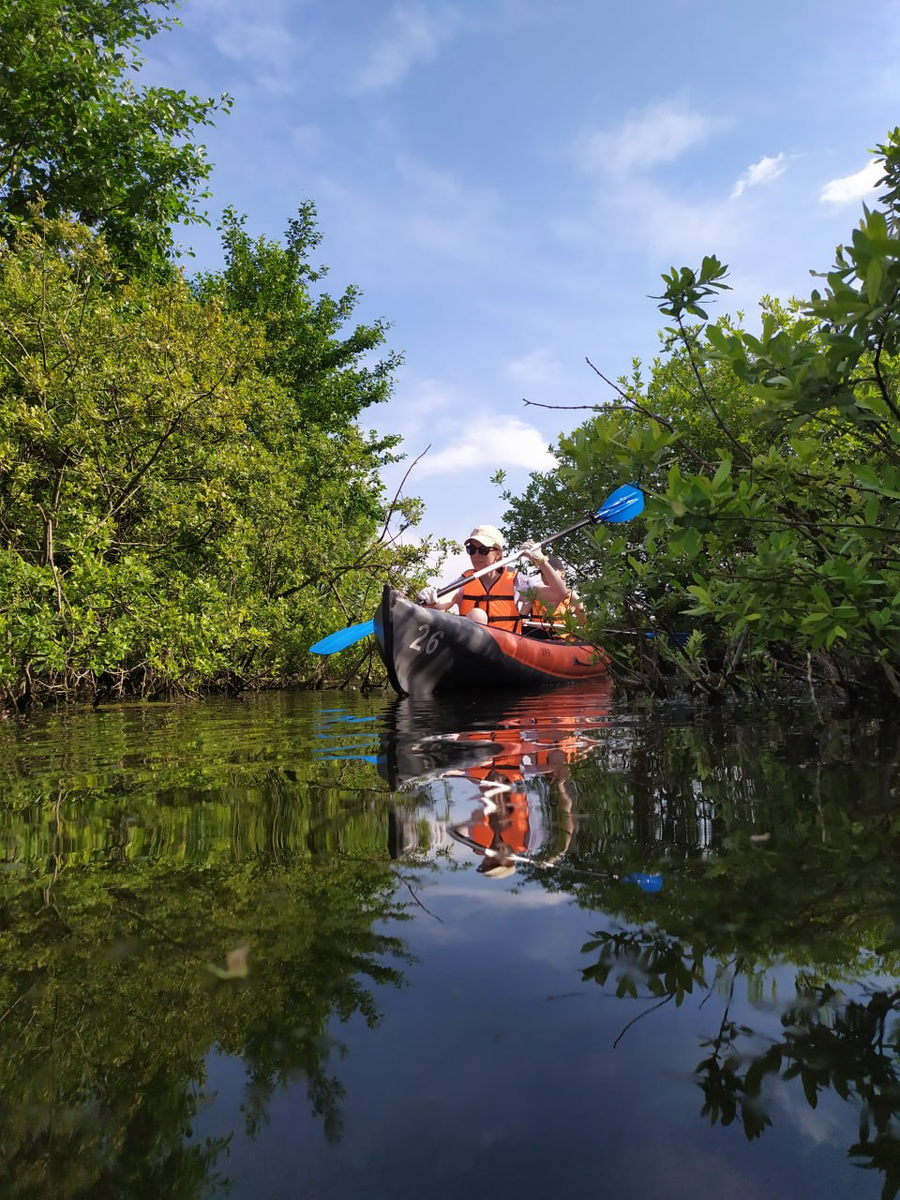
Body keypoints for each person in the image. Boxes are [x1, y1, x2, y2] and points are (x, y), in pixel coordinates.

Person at [416, 524, 567, 634]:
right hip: (471, 653)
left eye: (483, 550)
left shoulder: (517, 581)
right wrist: (431, 598)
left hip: (507, 653)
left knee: (477, 614)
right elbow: (440, 603)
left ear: (498, 554)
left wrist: (541, 561)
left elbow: (559, 594)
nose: (476, 555)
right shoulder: (464, 581)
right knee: (477, 615)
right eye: (471, 549)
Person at [527, 554, 587, 636]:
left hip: (563, 641)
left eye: (551, 572)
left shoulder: (573, 597)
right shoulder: (534, 593)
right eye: (543, 573)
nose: (546, 575)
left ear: (563, 573)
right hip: (537, 639)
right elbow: (522, 618)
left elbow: (584, 624)